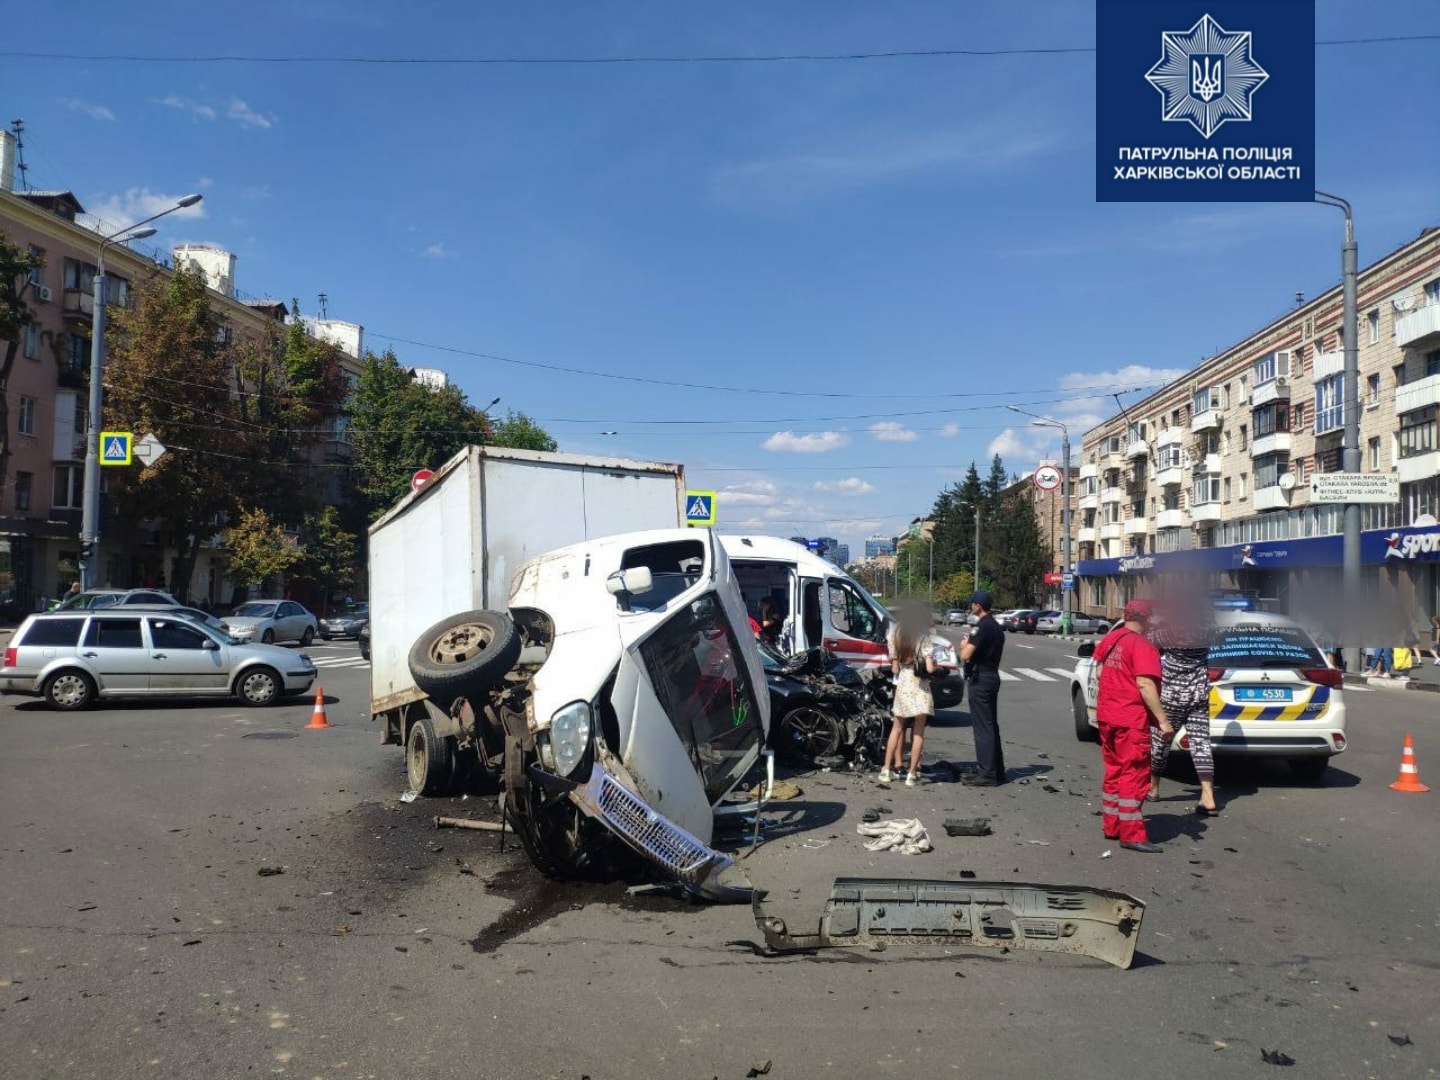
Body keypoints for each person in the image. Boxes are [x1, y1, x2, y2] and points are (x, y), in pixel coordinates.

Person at [1094, 599, 1173, 853]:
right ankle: (1132, 834)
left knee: (1114, 770)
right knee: (1134, 773)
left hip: (1107, 716)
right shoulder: (1142, 646)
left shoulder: (1112, 638)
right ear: (1147, 620)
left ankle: (1112, 825)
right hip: (1130, 720)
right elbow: (1145, 685)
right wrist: (1162, 720)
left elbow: (1098, 672)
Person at [1149, 588, 1218, 815]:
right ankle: (1207, 795)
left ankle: (1154, 787)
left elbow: (1150, 639)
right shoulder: (1209, 632)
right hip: (1199, 694)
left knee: (1161, 742)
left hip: (1172, 696)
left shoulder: (1173, 633)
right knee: (1201, 744)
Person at [879, 605, 937, 786]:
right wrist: (933, 664)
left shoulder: (894, 637)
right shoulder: (924, 639)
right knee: (918, 732)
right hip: (920, 686)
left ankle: (886, 769)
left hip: (903, 684)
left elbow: (895, 668)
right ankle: (912, 773)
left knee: (896, 728)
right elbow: (929, 669)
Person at [959, 589, 1006, 786]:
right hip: (992, 675)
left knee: (982, 727)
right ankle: (996, 770)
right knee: (990, 724)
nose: (971, 606)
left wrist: (964, 644)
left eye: (973, 603)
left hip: (981, 678)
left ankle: (986, 773)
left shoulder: (982, 626)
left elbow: (965, 655)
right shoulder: (995, 626)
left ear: (978, 605)